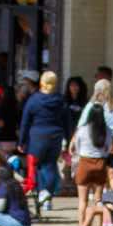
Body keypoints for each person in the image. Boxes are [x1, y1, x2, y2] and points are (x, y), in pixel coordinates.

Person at [69, 77, 113, 226]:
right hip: (100, 164)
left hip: (85, 163)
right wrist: (105, 153)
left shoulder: (83, 129)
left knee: (82, 201)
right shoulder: (107, 130)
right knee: (98, 199)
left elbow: (77, 146)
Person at [16, 69, 68, 211]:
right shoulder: (60, 100)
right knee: (50, 165)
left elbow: (25, 121)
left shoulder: (34, 100)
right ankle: (47, 196)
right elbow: (67, 120)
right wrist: (69, 138)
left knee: (37, 165)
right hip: (56, 135)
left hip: (37, 136)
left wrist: (22, 141)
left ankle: (42, 192)